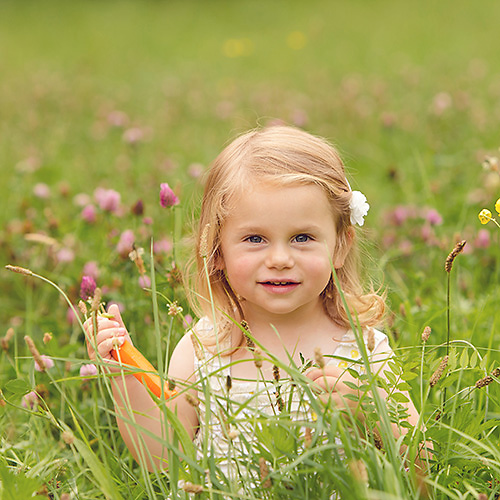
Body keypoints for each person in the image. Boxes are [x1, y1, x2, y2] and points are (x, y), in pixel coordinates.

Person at [84, 125, 421, 482]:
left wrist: (371, 411)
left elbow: (422, 469)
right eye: (255, 238)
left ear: (339, 245)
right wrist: (126, 380)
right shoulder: (205, 348)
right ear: (217, 251)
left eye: (302, 237)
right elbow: (164, 459)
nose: (279, 258)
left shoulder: (362, 349)